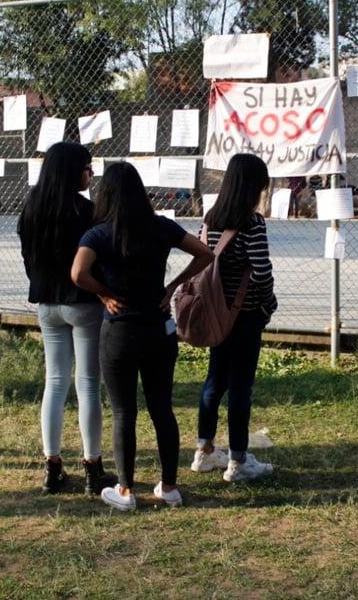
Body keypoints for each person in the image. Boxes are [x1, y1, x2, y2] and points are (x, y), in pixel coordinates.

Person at [72, 162, 213, 512]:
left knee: (123, 412)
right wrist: (174, 285)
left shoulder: (99, 234)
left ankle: (125, 490)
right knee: (162, 408)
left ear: (105, 195)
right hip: (157, 329)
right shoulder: (161, 227)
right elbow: (206, 253)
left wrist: (103, 293)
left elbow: (78, 273)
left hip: (119, 331)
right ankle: (168, 486)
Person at [17, 142, 113, 495]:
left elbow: (28, 258)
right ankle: (93, 466)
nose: (90, 174)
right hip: (84, 302)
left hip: (47, 302)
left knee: (54, 382)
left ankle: (52, 465)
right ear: (73, 170)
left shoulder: (31, 207)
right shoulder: (87, 211)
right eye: (87, 168)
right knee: (87, 384)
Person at [190, 153, 279, 482]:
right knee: (241, 386)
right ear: (253, 186)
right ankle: (238, 461)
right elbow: (261, 272)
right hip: (244, 316)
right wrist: (268, 304)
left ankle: (205, 451)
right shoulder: (251, 222)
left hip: (216, 311)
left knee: (215, 381)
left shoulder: (212, 217)